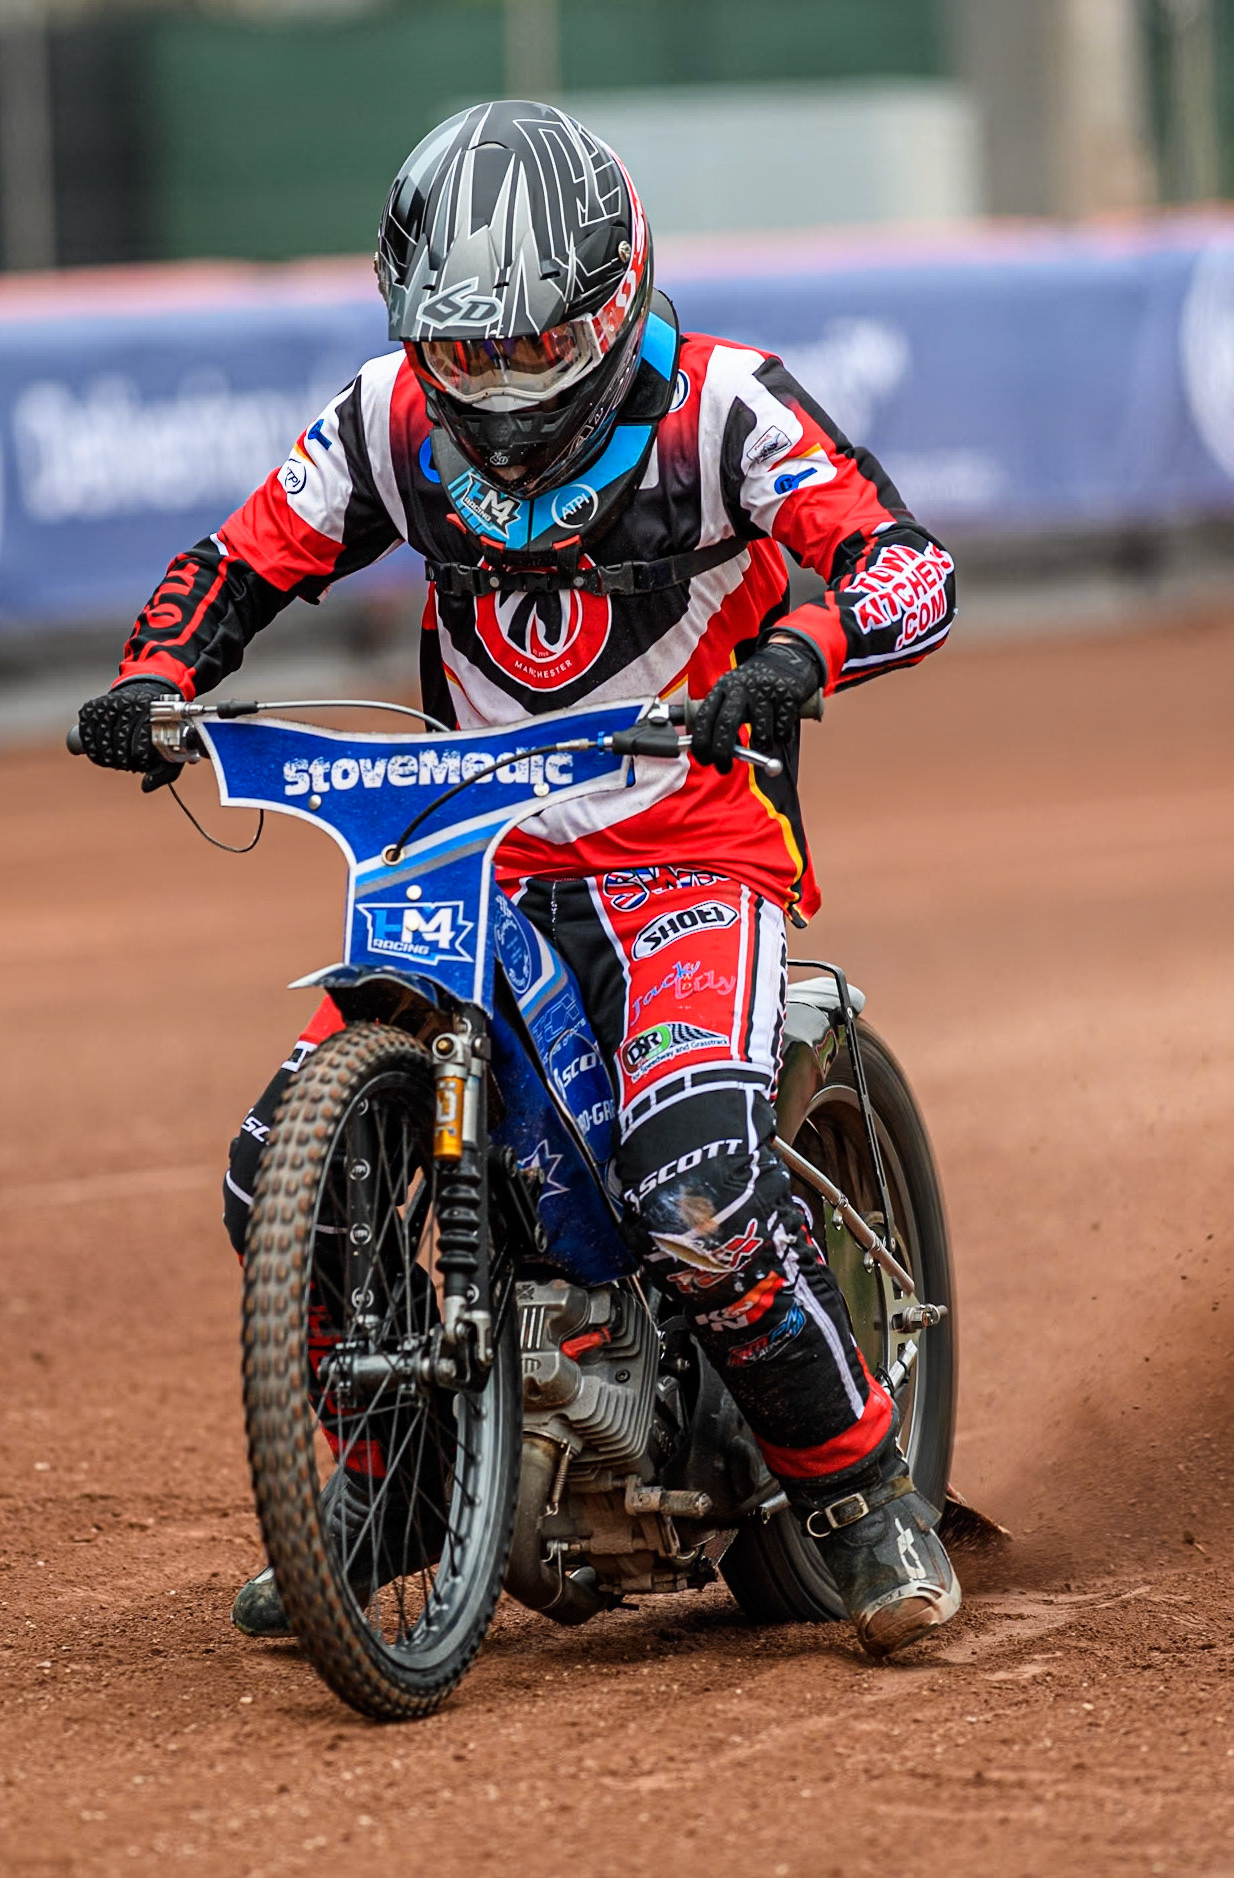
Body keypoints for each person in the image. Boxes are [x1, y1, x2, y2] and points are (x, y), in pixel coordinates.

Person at [76, 101, 960, 1658]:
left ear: (614, 301)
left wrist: (797, 652)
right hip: (462, 844)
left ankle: (860, 1487)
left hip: (686, 848)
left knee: (695, 1189)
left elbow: (906, 564)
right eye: (465, 354)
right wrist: (155, 676)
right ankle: (386, 1494)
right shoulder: (385, 421)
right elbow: (240, 560)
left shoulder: (723, 410)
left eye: (535, 345)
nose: (500, 386)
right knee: (275, 1159)